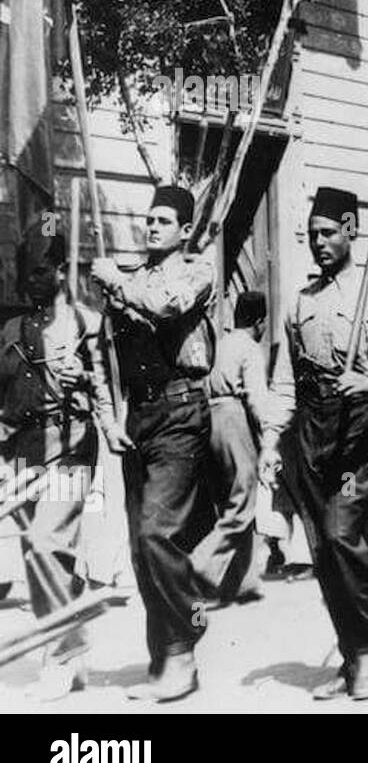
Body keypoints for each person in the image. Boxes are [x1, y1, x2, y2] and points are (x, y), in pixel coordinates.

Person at [260, 187, 368, 701]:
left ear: (351, 227)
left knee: (343, 534)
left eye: (327, 232)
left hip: (359, 432)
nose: (318, 243)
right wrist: (269, 441)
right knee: (324, 552)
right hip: (311, 430)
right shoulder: (301, 301)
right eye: (311, 235)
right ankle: (355, 654)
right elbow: (284, 380)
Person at [89, 185, 215, 702]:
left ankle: (185, 642)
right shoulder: (128, 277)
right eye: (149, 219)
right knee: (142, 552)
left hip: (182, 412)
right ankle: (164, 657)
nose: (153, 227)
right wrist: (106, 416)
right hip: (137, 418)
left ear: (185, 230)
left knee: (157, 533)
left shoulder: (196, 271)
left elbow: (166, 307)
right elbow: (100, 352)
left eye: (164, 220)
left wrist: (116, 282)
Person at [0, 232, 126, 700]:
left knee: (43, 542)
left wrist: (87, 378)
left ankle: (61, 655)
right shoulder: (10, 332)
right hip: (23, 455)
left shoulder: (87, 324)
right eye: (23, 269)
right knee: (48, 558)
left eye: (39, 270)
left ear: (59, 270)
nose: (29, 280)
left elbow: (113, 390)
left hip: (70, 447)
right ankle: (68, 652)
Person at [193, 291, 273, 607]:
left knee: (226, 500)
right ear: (260, 321)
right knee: (243, 501)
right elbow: (256, 398)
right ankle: (199, 564)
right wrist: (269, 434)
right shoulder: (250, 348)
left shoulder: (220, 343)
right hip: (233, 418)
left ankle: (242, 583)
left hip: (207, 419)